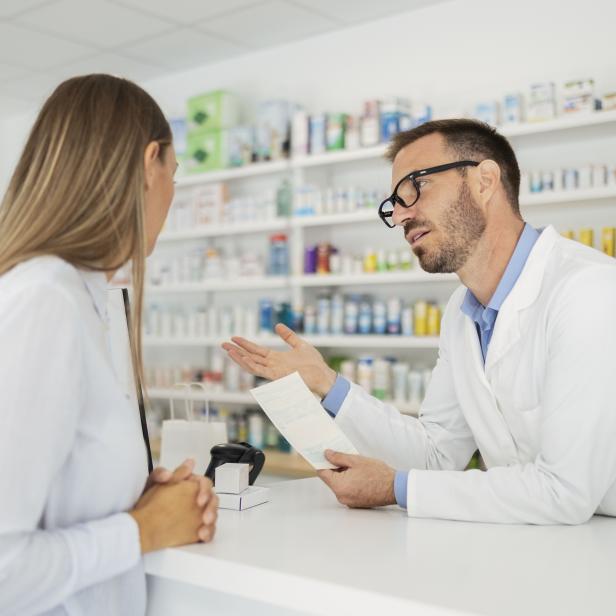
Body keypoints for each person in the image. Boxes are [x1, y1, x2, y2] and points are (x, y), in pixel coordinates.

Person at [223, 118, 616, 525]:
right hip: (542, 543)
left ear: (485, 181)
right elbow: (436, 454)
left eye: (416, 186)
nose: (400, 214)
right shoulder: (461, 313)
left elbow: (564, 491)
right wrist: (327, 384)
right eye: (394, 202)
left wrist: (396, 488)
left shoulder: (587, 290)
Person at [0, 75, 218, 616]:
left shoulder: (82, 298)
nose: (172, 192)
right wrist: (141, 529)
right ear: (150, 162)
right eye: (174, 172)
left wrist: (136, 498)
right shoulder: (44, 300)